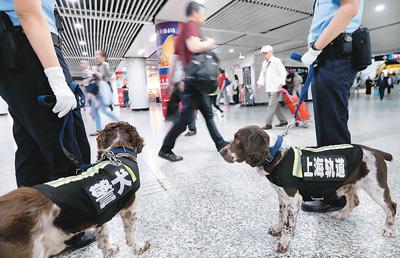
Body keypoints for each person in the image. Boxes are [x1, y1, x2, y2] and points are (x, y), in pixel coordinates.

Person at [0, 0, 94, 250]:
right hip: (30, 47)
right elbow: (28, 11)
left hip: (12, 52)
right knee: (63, 143)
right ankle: (68, 230)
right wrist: (54, 75)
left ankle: (30, 228)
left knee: (31, 147)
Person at [300, 0, 364, 213]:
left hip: (334, 54)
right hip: (328, 57)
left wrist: (316, 47)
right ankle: (336, 190)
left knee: (332, 130)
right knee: (328, 128)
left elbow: (350, 7)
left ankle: (339, 196)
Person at [158, 1, 229, 162]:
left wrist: (170, 82)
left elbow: (175, 59)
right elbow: (194, 46)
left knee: (208, 115)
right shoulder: (191, 26)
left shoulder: (183, 30)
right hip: (194, 83)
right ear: (195, 13)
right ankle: (165, 149)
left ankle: (220, 143)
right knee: (184, 121)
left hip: (193, 82)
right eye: (202, 13)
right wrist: (210, 43)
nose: (203, 16)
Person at [166, 35, 197, 136]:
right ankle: (177, 126)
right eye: (174, 41)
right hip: (176, 84)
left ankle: (192, 128)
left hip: (184, 84)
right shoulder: (174, 54)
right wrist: (170, 84)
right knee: (173, 106)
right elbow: (172, 70)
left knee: (187, 107)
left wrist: (184, 80)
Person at [257, 45, 288, 130]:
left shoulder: (276, 61)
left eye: (265, 53)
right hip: (269, 87)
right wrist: (260, 83)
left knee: (271, 105)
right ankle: (283, 121)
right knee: (275, 105)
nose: (264, 55)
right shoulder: (264, 63)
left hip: (276, 87)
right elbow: (262, 74)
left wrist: (281, 83)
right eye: (263, 53)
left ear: (270, 52)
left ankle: (268, 124)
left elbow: (283, 72)